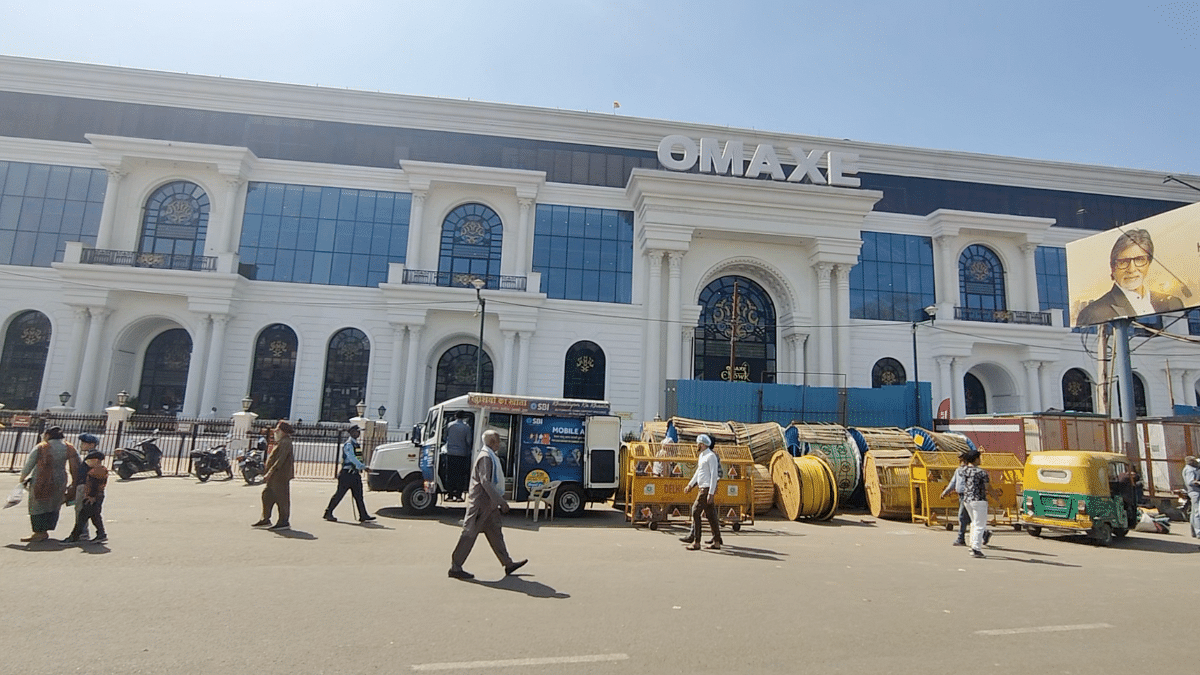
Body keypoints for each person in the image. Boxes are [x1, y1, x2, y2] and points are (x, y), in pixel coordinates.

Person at [448, 430, 527, 580]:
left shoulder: (490, 455)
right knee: (469, 534)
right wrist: (501, 502)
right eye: (498, 441)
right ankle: (455, 567)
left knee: (496, 533)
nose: (500, 444)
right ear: (492, 443)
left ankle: (508, 563)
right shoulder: (486, 457)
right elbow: (486, 482)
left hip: (489, 505)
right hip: (481, 504)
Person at [1075, 228, 1183, 326]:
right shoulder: (1094, 312)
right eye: (1123, 262)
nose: (1131, 269)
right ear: (1113, 267)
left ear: (1148, 263)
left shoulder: (1172, 303)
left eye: (1139, 259)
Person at [17, 426, 80, 543]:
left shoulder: (42, 447)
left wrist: (22, 477)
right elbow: (76, 465)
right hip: (60, 479)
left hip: (41, 478)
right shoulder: (69, 447)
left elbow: (30, 463)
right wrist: (75, 483)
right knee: (54, 504)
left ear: (47, 435)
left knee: (38, 504)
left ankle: (39, 532)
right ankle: (46, 529)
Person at [324, 426, 374, 523]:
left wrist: (361, 467)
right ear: (351, 432)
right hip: (346, 474)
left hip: (355, 474)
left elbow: (359, 458)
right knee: (339, 495)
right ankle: (328, 512)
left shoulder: (356, 445)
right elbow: (352, 458)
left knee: (359, 496)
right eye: (356, 432)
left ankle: (363, 515)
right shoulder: (349, 445)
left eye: (359, 432)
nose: (358, 433)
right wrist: (363, 467)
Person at [680, 434, 722, 551]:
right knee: (711, 515)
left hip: (706, 488)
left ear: (702, 444)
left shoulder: (711, 456)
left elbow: (714, 475)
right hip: (703, 487)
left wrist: (711, 493)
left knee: (695, 511)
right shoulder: (702, 456)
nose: (697, 446)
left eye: (698, 444)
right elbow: (698, 472)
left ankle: (696, 541)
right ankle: (717, 541)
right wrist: (690, 485)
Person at [253, 421, 295, 531]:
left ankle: (283, 521)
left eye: (277, 429)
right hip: (275, 476)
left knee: (282, 498)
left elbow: (280, 461)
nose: (275, 431)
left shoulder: (285, 442)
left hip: (280, 475)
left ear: (283, 431)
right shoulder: (281, 442)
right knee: (267, 495)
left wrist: (269, 473)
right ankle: (265, 518)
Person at [959, 450, 997, 559]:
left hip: (967, 499)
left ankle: (972, 545)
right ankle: (976, 548)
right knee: (980, 525)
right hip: (979, 499)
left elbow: (961, 467)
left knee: (974, 523)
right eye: (979, 458)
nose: (980, 460)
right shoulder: (981, 472)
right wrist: (996, 499)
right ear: (976, 459)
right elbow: (988, 487)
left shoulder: (964, 470)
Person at [65, 450, 108, 544]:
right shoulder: (101, 470)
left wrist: (90, 496)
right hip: (97, 496)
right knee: (94, 516)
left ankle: (75, 537)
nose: (88, 463)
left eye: (89, 461)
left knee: (82, 517)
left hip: (92, 497)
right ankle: (101, 534)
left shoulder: (95, 472)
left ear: (96, 460)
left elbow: (94, 485)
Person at [70, 433, 100, 539]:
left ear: (92, 444)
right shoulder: (91, 455)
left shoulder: (93, 456)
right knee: (87, 511)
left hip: (86, 486)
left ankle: (82, 533)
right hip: (85, 485)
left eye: (84, 443)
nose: (82, 445)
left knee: (81, 509)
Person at [940, 454, 970, 546]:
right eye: (961, 461)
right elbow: (953, 483)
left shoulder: (971, 471)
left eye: (964, 461)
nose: (962, 463)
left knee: (962, 517)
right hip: (961, 496)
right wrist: (945, 492)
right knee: (970, 518)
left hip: (968, 496)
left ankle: (961, 539)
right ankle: (984, 534)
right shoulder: (958, 471)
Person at [442, 412, 473, 501]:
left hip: (450, 453)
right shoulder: (467, 427)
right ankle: (459, 495)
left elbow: (444, 437)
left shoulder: (450, 425)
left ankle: (450, 495)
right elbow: (468, 441)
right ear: (463, 417)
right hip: (462, 454)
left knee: (450, 474)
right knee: (460, 474)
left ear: (455, 416)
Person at [1183, 456, 1200, 539]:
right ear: (1191, 462)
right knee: (1197, 512)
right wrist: (1198, 482)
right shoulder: (1190, 470)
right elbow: (1190, 481)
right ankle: (1198, 532)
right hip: (1194, 492)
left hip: (1194, 492)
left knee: (1194, 512)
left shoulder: (1191, 468)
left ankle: (1194, 531)